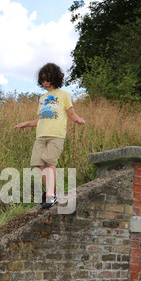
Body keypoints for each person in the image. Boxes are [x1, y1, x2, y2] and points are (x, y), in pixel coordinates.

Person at [13, 62, 85, 209]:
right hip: (41, 135)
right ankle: (52, 192)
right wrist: (25, 124)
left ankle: (50, 195)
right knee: (39, 163)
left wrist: (77, 119)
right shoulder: (42, 99)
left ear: (55, 78)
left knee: (50, 163)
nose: (45, 83)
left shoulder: (64, 95)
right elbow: (40, 119)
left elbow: (71, 113)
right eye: (43, 80)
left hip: (56, 135)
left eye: (48, 79)